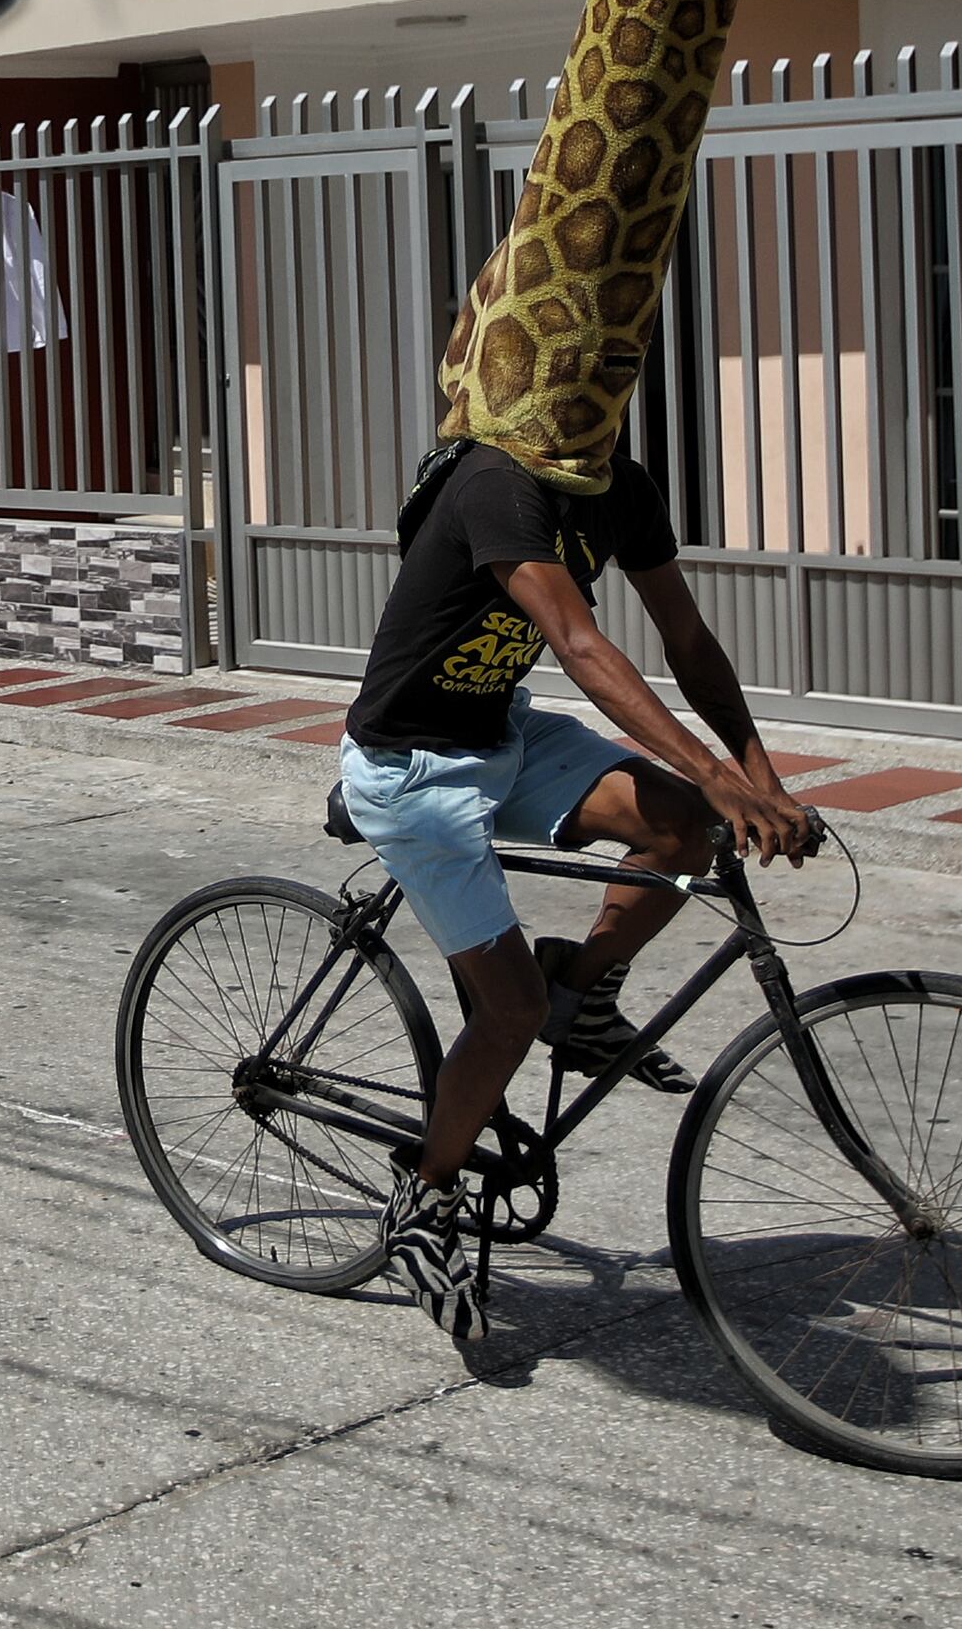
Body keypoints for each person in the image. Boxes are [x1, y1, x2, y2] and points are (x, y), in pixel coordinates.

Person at [335, 438, 816, 1342]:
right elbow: (580, 645)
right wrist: (717, 771)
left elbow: (687, 637)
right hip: (411, 768)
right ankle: (422, 1199)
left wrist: (761, 778)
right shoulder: (495, 485)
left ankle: (584, 989)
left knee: (687, 827)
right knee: (506, 1010)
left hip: (502, 734)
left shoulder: (621, 485)